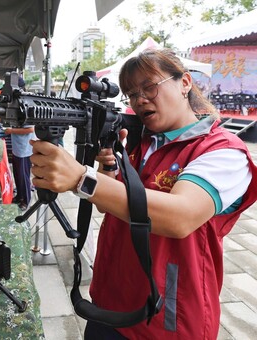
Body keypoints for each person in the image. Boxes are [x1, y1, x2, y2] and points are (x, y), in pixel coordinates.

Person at [30, 48, 257, 339]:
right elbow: (108, 208)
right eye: (131, 94)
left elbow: (179, 217)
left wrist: (80, 178)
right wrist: (108, 165)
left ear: (185, 82)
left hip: (168, 320)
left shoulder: (222, 151)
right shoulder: (140, 142)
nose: (139, 100)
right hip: (110, 303)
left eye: (149, 87)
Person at [4, 125, 35, 210]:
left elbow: (30, 129)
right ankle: (19, 196)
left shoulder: (26, 112)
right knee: (17, 175)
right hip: (17, 148)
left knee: (23, 176)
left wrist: (12, 131)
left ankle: (26, 201)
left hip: (24, 149)